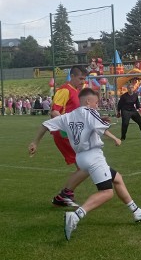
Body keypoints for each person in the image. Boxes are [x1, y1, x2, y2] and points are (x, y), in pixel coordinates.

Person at [28, 88, 141, 241]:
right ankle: (75, 216)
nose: (97, 105)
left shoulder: (68, 117)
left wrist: (35, 142)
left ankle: (136, 212)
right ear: (88, 102)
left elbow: (45, 125)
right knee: (107, 192)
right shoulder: (90, 112)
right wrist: (114, 136)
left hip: (81, 158)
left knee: (117, 178)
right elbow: (101, 126)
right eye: (96, 102)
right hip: (94, 156)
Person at [50, 66, 89, 207]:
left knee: (84, 167)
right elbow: (54, 112)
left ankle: (64, 196)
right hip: (64, 134)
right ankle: (65, 195)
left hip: (71, 133)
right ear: (72, 76)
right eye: (80, 78)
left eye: (84, 79)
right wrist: (67, 127)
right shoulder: (65, 90)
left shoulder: (76, 91)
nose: (83, 81)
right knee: (86, 166)